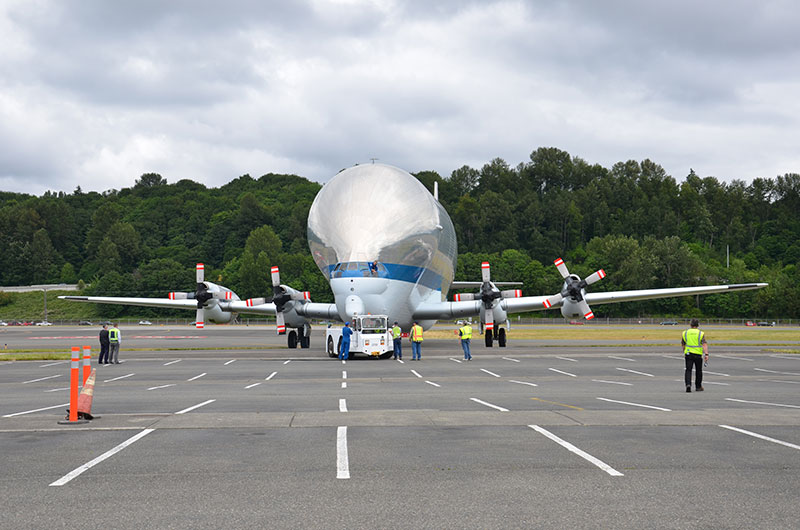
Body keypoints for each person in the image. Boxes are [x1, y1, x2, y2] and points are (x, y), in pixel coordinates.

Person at [682, 318, 708, 392]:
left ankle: (688, 384)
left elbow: (683, 344)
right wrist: (706, 354)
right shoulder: (700, 333)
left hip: (688, 353)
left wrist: (684, 351)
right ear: (698, 325)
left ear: (690, 324)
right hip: (698, 354)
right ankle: (698, 386)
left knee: (688, 370)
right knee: (698, 370)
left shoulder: (685, 333)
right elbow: (704, 344)